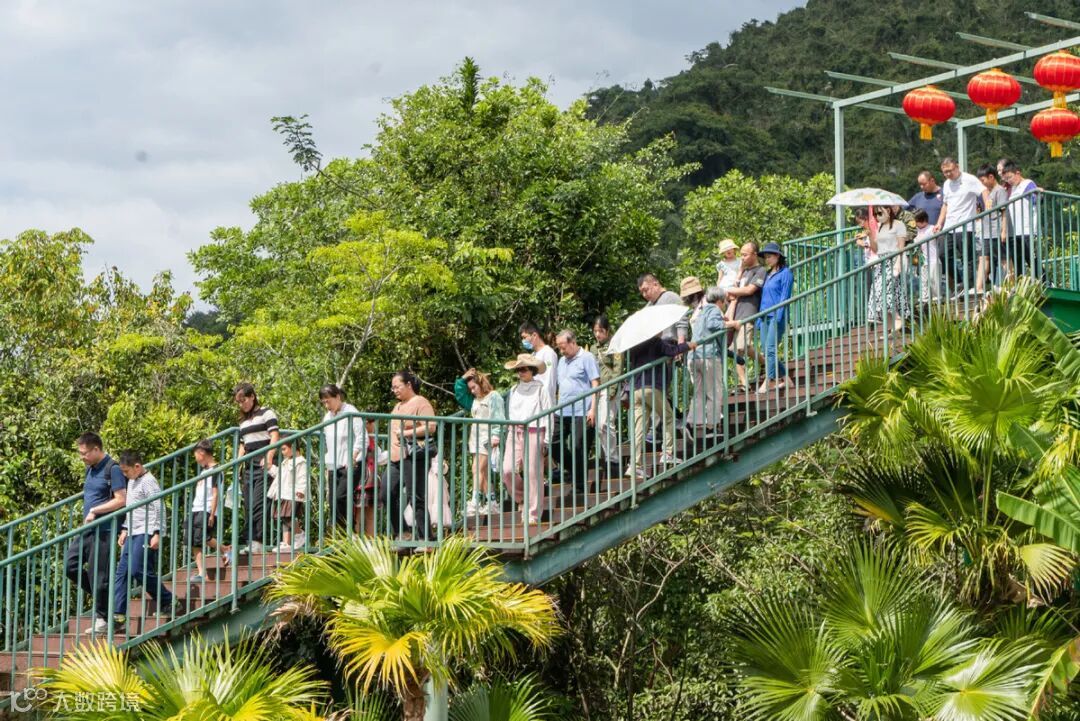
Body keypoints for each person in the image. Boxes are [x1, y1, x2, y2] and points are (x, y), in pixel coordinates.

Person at [65, 432, 127, 635]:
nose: (81, 457)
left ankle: (104, 618)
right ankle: (107, 600)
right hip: (88, 530)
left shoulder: (113, 469)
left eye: (84, 453)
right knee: (70, 566)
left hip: (105, 530)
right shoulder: (90, 469)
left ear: (96, 449)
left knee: (99, 577)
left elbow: (121, 500)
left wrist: (95, 510)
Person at [113, 450, 175, 630]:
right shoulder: (132, 480)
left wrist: (157, 532)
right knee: (122, 572)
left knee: (138, 569)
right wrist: (125, 528)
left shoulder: (148, 481)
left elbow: (159, 507)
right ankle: (119, 614)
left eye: (126, 471)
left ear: (137, 466)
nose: (125, 475)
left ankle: (168, 600)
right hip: (132, 531)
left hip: (146, 531)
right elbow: (132, 508)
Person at [624, 331, 696, 479]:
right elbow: (672, 351)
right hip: (651, 387)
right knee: (669, 417)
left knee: (639, 429)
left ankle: (634, 465)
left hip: (636, 389)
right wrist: (688, 345)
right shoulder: (656, 342)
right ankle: (667, 453)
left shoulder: (636, 346)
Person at [383, 371, 437, 540]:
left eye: (397, 386)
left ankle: (426, 538)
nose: (394, 390)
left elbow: (431, 427)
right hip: (395, 458)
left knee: (416, 497)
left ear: (408, 385)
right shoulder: (397, 406)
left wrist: (407, 433)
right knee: (386, 493)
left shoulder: (420, 402)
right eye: (392, 388)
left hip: (413, 456)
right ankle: (403, 532)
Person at [502, 354, 553, 525]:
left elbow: (548, 414)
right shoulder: (514, 390)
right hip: (515, 430)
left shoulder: (540, 389)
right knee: (507, 470)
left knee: (533, 473)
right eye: (518, 369)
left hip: (534, 431)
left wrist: (547, 439)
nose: (521, 372)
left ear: (532, 370)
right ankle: (522, 497)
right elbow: (511, 412)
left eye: (524, 369)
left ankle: (533, 513)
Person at [233, 383, 279, 555]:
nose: (242, 404)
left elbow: (275, 435)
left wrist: (269, 457)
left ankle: (257, 542)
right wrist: (237, 463)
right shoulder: (243, 421)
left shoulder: (267, 413)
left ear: (252, 396)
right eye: (239, 402)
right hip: (248, 465)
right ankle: (250, 541)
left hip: (263, 463)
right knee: (248, 504)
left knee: (259, 503)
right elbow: (243, 444)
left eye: (244, 400)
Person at [554, 330, 601, 492]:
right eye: (559, 348)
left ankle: (580, 486)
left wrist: (593, 409)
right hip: (562, 410)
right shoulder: (561, 361)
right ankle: (574, 468)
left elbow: (595, 383)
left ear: (573, 342)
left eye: (563, 347)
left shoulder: (587, 357)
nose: (561, 351)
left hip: (582, 410)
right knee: (553, 444)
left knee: (578, 446)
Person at [455, 368, 505, 517]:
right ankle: (492, 503)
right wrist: (463, 378)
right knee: (481, 472)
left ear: (481, 383)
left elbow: (499, 416)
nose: (472, 391)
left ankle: (475, 502)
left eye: (474, 387)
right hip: (475, 438)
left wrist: (496, 434)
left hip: (487, 438)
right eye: (470, 389)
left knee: (477, 469)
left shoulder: (493, 396)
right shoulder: (474, 400)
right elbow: (460, 394)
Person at [318, 384, 366, 530]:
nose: (326, 406)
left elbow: (362, 437)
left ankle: (348, 532)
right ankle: (341, 535)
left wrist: (353, 455)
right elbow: (328, 442)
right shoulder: (327, 417)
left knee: (341, 497)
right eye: (323, 403)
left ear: (338, 397)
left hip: (351, 462)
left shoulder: (351, 411)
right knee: (333, 501)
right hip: (334, 464)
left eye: (328, 401)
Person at [682, 277, 725, 436]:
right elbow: (713, 325)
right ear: (720, 300)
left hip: (695, 355)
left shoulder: (701, 310)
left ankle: (691, 423)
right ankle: (711, 427)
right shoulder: (712, 308)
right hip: (708, 354)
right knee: (714, 392)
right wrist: (730, 324)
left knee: (699, 393)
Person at [935, 157, 984, 294]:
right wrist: (939, 223)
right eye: (945, 172)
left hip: (965, 226)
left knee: (967, 257)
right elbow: (945, 204)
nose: (948, 174)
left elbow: (984, 191)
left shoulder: (969, 179)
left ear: (957, 167)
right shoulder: (946, 184)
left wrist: (988, 206)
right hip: (949, 226)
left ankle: (969, 287)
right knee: (942, 255)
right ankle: (960, 281)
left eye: (950, 170)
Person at [724, 242, 768, 392]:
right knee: (743, 347)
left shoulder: (760, 271)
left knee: (738, 348)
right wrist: (739, 272)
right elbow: (736, 290)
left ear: (755, 254)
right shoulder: (744, 272)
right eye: (741, 255)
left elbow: (750, 290)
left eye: (745, 255)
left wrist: (730, 290)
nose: (742, 258)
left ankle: (745, 383)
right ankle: (764, 364)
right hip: (735, 314)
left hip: (748, 313)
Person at [865, 207, 910, 334]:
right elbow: (876, 249)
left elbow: (901, 246)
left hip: (894, 258)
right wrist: (870, 235)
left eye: (879, 213)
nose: (877, 216)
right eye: (875, 214)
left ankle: (898, 318)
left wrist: (898, 263)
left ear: (888, 211)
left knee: (888, 290)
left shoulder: (898, 225)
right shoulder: (880, 227)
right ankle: (891, 326)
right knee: (877, 291)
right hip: (882, 261)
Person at [757, 242, 794, 394]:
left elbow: (785, 297)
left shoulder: (786, 273)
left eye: (770, 256)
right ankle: (787, 379)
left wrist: (779, 317)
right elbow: (763, 297)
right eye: (765, 257)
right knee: (766, 351)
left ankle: (769, 380)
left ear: (778, 256)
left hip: (777, 316)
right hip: (764, 316)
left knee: (771, 349)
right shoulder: (767, 274)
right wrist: (759, 319)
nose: (767, 259)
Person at [590, 314, 623, 477]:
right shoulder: (593, 348)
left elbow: (618, 368)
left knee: (606, 423)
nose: (598, 334)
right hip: (597, 390)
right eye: (595, 331)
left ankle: (613, 459)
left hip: (610, 388)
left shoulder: (614, 345)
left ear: (607, 331)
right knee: (599, 426)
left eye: (601, 331)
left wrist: (613, 389)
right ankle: (609, 457)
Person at [186, 439, 222, 584]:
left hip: (206, 509)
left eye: (196, 455)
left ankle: (224, 549)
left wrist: (212, 513)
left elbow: (216, 493)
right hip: (196, 508)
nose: (195, 458)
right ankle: (201, 572)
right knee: (193, 541)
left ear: (202, 453)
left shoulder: (216, 470)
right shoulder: (204, 470)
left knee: (202, 538)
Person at [266, 438, 308, 551]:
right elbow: (280, 475)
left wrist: (301, 490)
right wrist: (270, 468)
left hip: (292, 494)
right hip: (284, 494)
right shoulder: (286, 461)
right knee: (284, 518)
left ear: (293, 447)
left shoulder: (300, 462)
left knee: (287, 517)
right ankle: (286, 543)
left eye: (284, 449)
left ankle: (299, 534)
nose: (282, 452)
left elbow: (303, 477)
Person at [1001, 159, 1039, 280]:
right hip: (1014, 232)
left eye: (1010, 177)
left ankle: (1046, 282)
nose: (1009, 181)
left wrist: (1039, 194)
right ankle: (1021, 285)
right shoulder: (1011, 189)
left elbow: (1037, 199)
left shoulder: (1027, 184)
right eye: (1006, 179)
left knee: (1031, 259)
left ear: (1017, 173)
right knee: (1017, 262)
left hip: (1027, 230)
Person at [975, 165, 1010, 294]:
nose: (982, 183)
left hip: (996, 231)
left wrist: (1004, 231)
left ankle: (1011, 284)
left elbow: (1004, 211)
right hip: (986, 232)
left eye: (983, 180)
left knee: (1004, 259)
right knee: (984, 258)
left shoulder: (999, 191)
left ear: (991, 177)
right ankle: (978, 288)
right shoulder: (988, 193)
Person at [637, 273, 689, 342]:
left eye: (646, 290)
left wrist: (681, 345)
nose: (644, 295)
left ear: (655, 284)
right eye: (642, 292)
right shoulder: (648, 307)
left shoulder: (670, 297)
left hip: (671, 343)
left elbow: (682, 322)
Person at [519, 322, 558, 405]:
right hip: (533, 401)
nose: (523, 341)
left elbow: (549, 380)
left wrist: (545, 402)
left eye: (524, 337)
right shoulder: (533, 355)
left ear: (534, 335)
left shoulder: (548, 353)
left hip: (544, 402)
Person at [913, 210, 942, 305]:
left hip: (933, 260)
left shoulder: (931, 228)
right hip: (922, 261)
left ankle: (937, 301)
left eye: (916, 221)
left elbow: (938, 235)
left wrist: (937, 232)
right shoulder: (916, 231)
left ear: (922, 220)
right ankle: (924, 300)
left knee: (934, 282)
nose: (915, 223)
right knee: (923, 282)